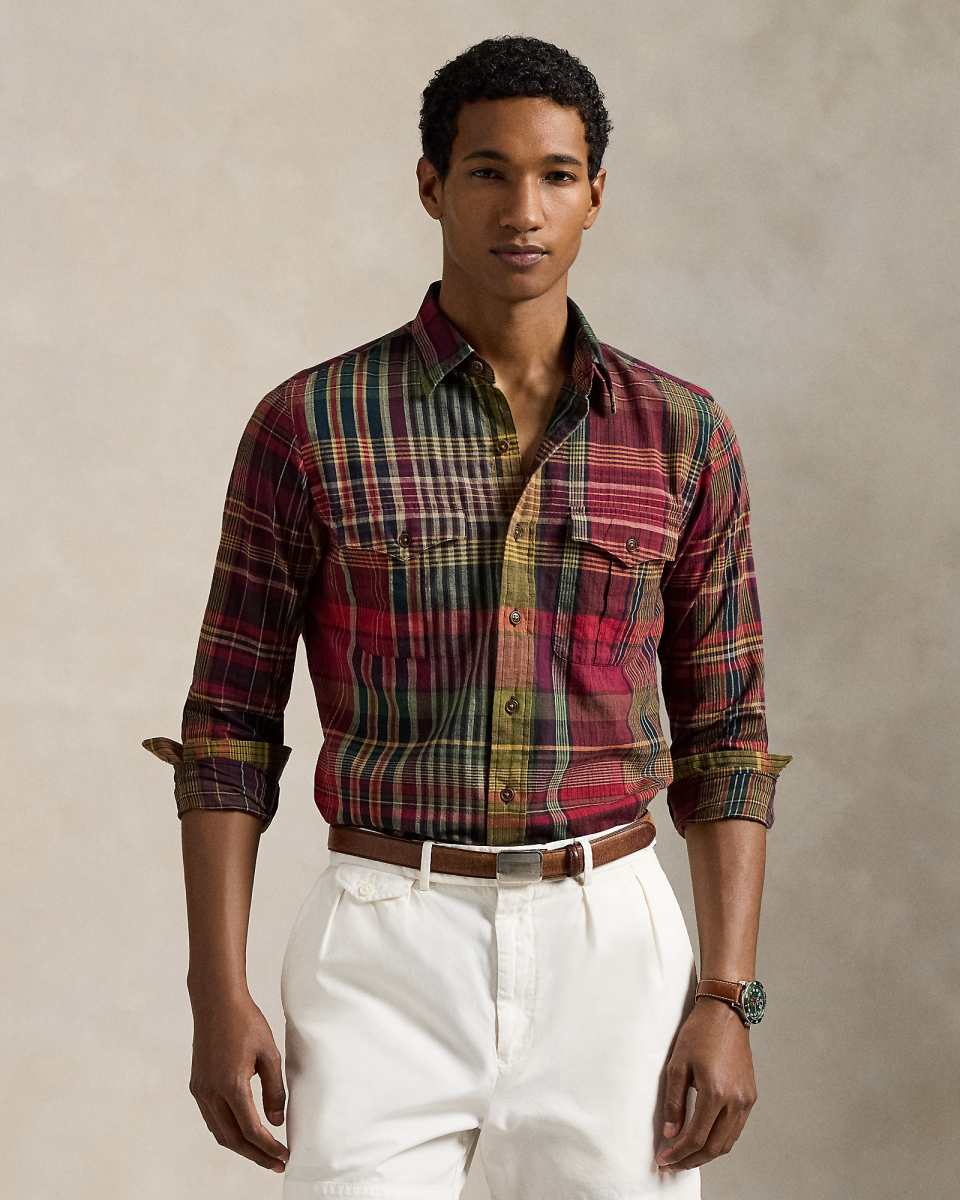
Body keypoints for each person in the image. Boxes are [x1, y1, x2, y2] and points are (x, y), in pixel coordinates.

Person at [146, 35, 790, 1200]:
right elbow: (229, 726)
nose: (522, 209)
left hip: (614, 943)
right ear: (433, 185)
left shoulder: (684, 436)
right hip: (382, 938)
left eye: (556, 174)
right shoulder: (313, 424)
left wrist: (724, 994)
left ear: (596, 193)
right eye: (489, 171)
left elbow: (726, 738)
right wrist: (216, 990)